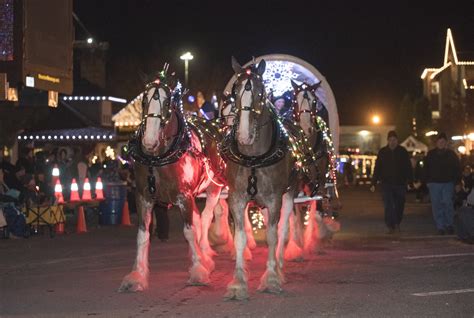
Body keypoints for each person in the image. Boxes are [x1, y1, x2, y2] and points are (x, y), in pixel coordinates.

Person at [370, 130, 413, 234]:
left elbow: (408, 168)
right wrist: (373, 183)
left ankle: (397, 222)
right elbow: (377, 168)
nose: (392, 142)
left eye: (394, 140)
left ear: (397, 140)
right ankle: (390, 225)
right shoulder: (383, 152)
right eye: (390, 140)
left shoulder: (403, 152)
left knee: (399, 204)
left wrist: (410, 181)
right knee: (388, 205)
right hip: (386, 184)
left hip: (400, 183)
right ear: (387, 141)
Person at [424, 132, 461, 235]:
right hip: (434, 183)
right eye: (439, 142)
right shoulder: (431, 154)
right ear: (436, 143)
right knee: (436, 205)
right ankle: (440, 226)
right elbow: (426, 168)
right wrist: (427, 181)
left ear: (446, 143)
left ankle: (449, 224)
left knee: (447, 203)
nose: (441, 143)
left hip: (448, 183)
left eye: (443, 142)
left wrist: (457, 182)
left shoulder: (451, 154)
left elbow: (457, 169)